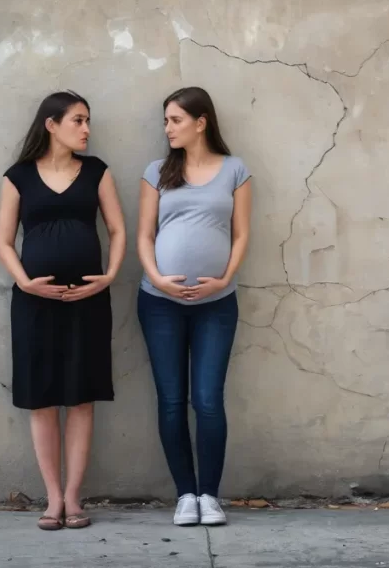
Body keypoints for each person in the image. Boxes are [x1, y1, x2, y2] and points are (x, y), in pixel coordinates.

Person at [0, 90, 126, 531]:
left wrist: (108, 276)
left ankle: (74, 498)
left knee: (82, 399)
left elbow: (117, 228)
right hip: (34, 304)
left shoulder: (96, 172)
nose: (87, 128)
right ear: (51, 124)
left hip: (87, 302)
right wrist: (24, 281)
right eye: (78, 120)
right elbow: (3, 241)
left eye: (88, 120)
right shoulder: (17, 177)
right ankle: (52, 499)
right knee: (43, 401)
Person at [136, 86, 253, 526]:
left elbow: (241, 234)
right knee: (171, 400)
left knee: (207, 400)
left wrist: (223, 278)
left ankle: (210, 495)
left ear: (201, 122)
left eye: (175, 120)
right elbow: (145, 235)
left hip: (216, 304)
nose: (168, 128)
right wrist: (158, 278)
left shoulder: (235, 170)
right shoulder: (156, 171)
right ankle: (185, 494)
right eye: (165, 120)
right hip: (159, 302)